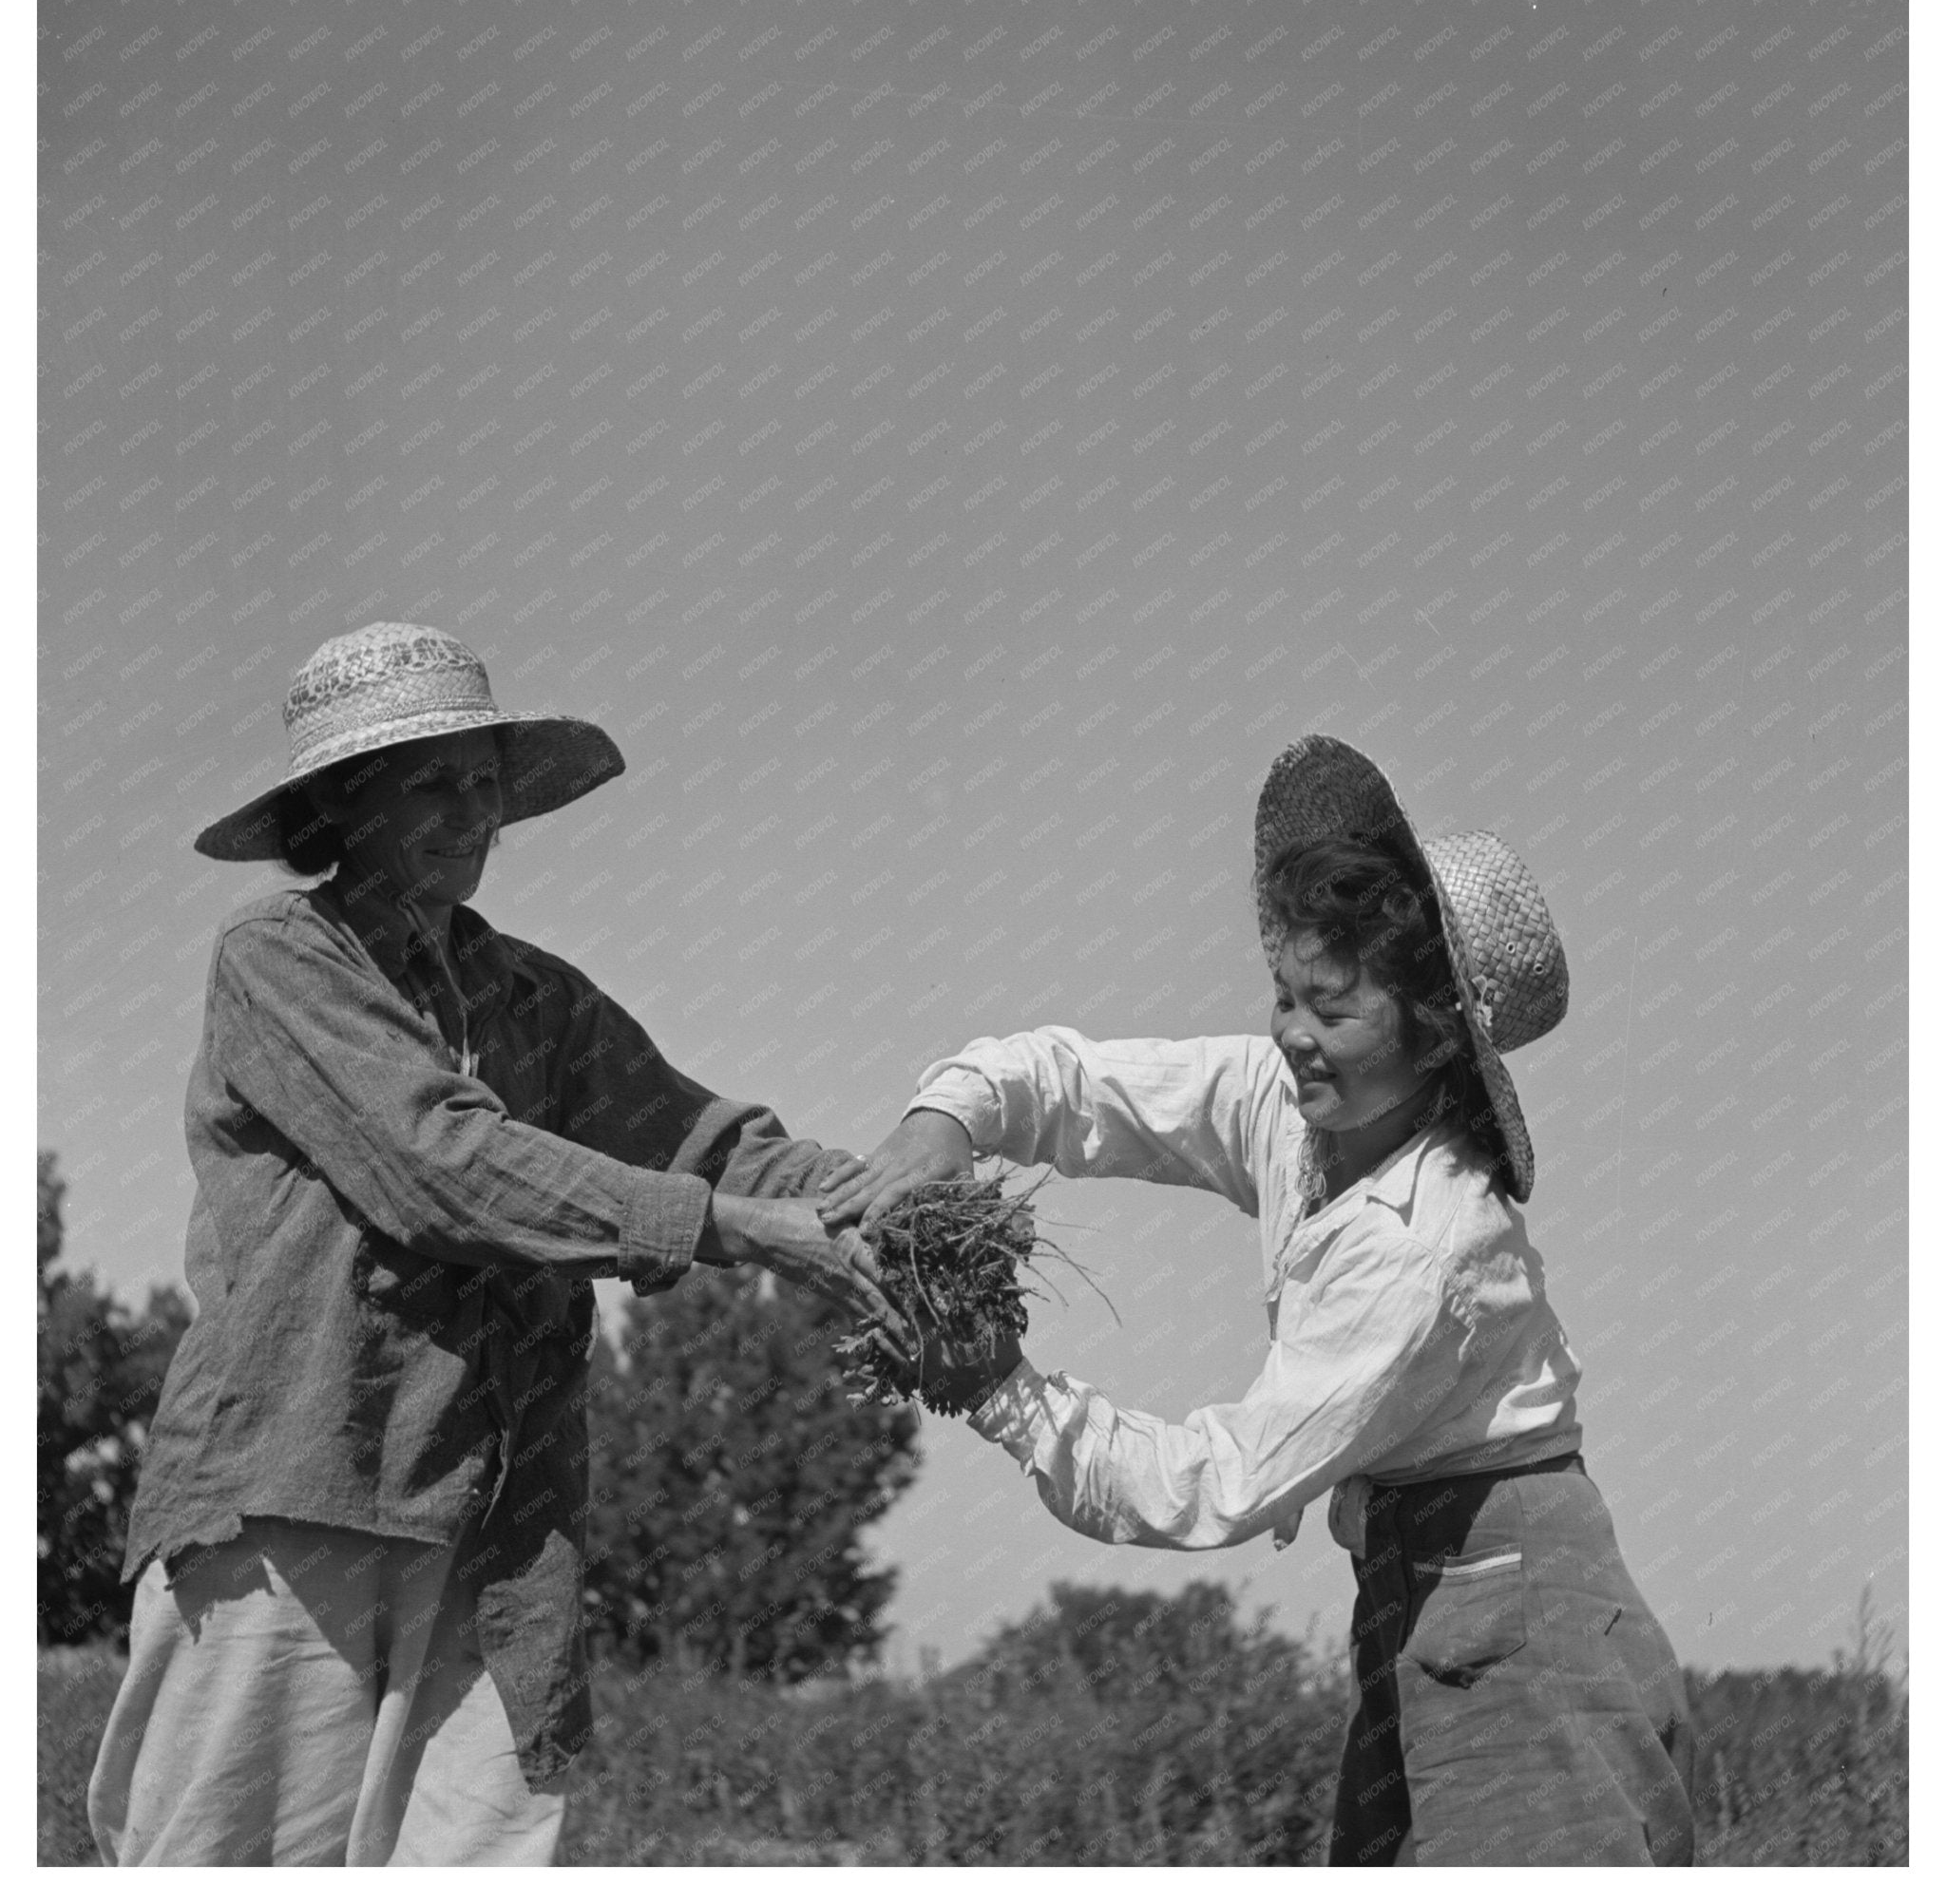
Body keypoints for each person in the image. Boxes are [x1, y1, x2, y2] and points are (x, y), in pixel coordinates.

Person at [88, 621, 900, 1866]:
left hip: (499, 1537)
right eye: (430, 781)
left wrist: (885, 1202)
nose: (472, 813)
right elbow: (438, 1164)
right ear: (339, 804)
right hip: (297, 1500)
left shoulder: (536, 999)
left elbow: (706, 1140)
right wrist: (732, 1231)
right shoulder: (280, 957)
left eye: (484, 781)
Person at [821, 733, 1694, 1866]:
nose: (1289, 1034)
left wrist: (1001, 1390)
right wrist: (944, 1120)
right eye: (1284, 992)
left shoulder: (1421, 1243)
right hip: (1421, 1596)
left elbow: (1215, 1483)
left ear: (1432, 1034)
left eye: (1329, 1010)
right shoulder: (1290, 1108)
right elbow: (1074, 1082)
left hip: (1527, 1636)